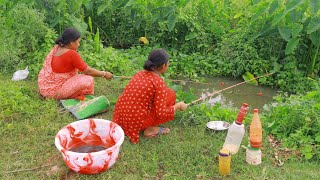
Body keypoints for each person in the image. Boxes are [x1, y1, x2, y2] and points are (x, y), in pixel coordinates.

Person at [112, 49, 188, 144]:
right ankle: (149, 129)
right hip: (135, 122)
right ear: (164, 66)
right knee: (171, 96)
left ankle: (139, 124)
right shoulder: (158, 82)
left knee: (170, 93)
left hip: (121, 119)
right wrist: (178, 106)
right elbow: (161, 113)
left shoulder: (140, 73)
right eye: (168, 63)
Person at [38, 28, 113, 99]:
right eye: (78, 42)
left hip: (46, 88)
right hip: (56, 91)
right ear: (71, 42)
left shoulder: (57, 48)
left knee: (82, 78)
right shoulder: (71, 54)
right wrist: (104, 74)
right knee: (88, 79)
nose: (79, 44)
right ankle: (69, 95)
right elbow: (88, 71)